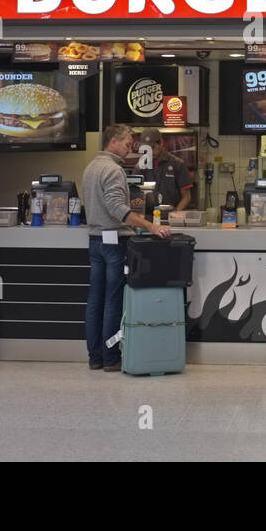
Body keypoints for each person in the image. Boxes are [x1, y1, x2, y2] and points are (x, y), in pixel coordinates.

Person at [82, 124, 172, 372]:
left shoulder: (91, 167)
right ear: (112, 141)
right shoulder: (113, 170)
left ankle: (95, 358)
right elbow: (118, 209)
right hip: (114, 243)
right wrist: (150, 227)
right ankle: (111, 359)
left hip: (95, 241)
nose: (130, 148)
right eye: (126, 143)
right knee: (112, 301)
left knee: (95, 301)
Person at [140, 128, 193, 212]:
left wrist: (175, 213)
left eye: (152, 147)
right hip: (147, 219)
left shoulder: (178, 164)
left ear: (161, 142)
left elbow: (186, 197)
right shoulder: (140, 166)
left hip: (171, 218)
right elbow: (135, 195)